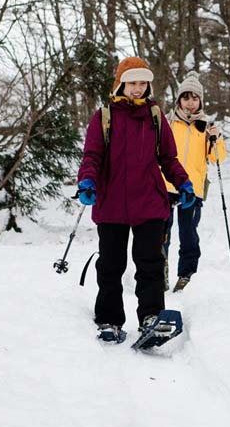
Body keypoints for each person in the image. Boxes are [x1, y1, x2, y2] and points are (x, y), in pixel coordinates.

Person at [77, 56, 194, 343]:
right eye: (133, 83)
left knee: (150, 262)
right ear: (121, 84)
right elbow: (92, 155)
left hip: (149, 202)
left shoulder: (154, 116)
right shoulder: (104, 116)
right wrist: (87, 180)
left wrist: (184, 183)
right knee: (111, 264)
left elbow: (168, 157)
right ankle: (109, 319)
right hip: (112, 203)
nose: (138, 88)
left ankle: (151, 317)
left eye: (143, 83)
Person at [163, 72, 227, 292]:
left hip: (193, 189)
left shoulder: (205, 126)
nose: (190, 103)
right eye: (186, 98)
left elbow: (217, 158)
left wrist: (216, 139)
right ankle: (160, 270)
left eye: (194, 98)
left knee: (188, 234)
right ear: (179, 100)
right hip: (167, 186)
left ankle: (186, 274)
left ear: (200, 101)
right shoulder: (169, 122)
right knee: (161, 233)